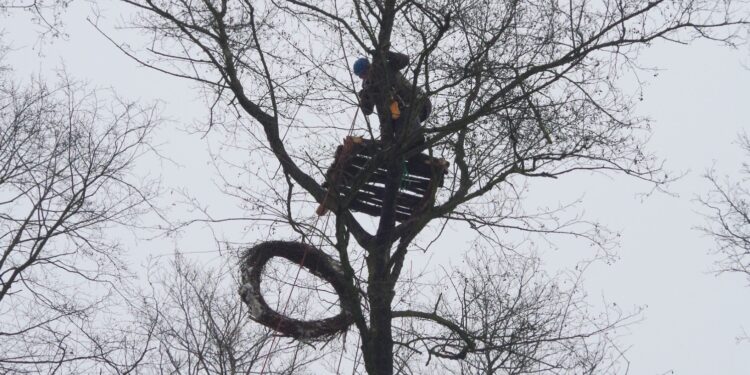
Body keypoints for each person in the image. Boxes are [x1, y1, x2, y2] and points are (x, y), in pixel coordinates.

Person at [353, 51, 432, 150]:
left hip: (417, 102)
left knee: (403, 113)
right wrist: (364, 97)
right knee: (394, 125)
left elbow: (405, 60)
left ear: (370, 67)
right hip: (399, 114)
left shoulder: (386, 68)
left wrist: (386, 53)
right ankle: (403, 148)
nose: (364, 76)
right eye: (361, 76)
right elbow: (367, 111)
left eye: (365, 72)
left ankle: (415, 141)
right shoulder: (369, 88)